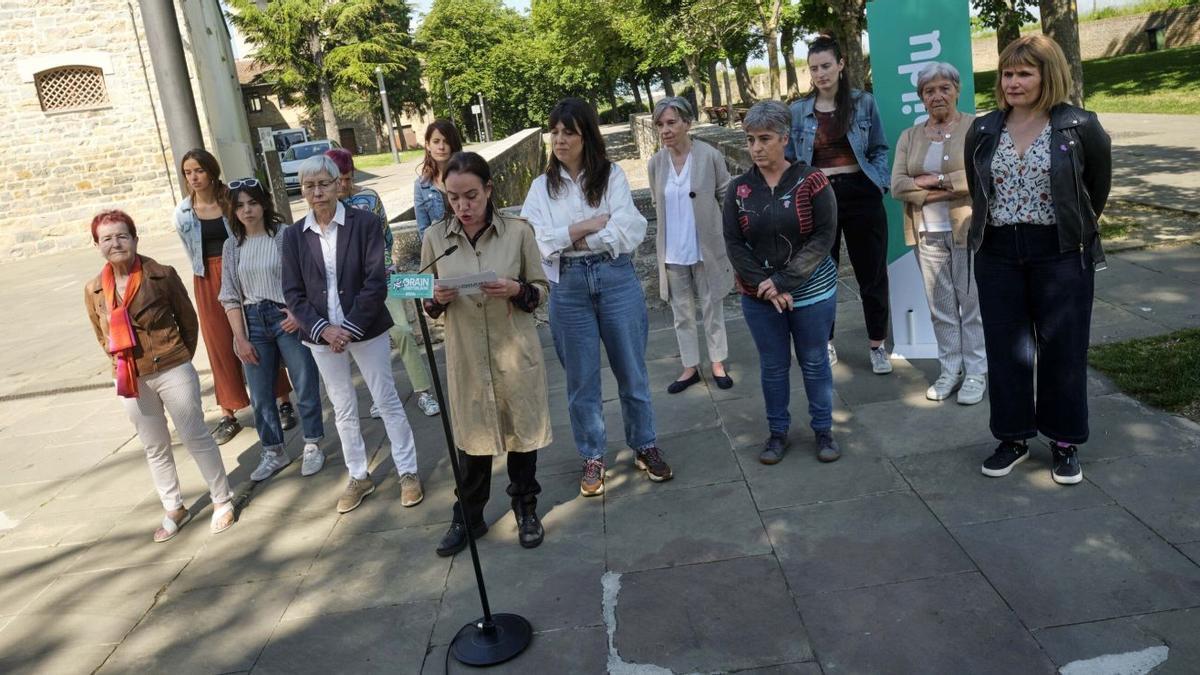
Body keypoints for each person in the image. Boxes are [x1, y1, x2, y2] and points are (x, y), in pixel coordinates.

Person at [965, 34, 1111, 485]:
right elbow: (979, 188)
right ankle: (1012, 436)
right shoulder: (985, 128)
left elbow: (1096, 187)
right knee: (1007, 350)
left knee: (1062, 349)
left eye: (1024, 72)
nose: (1012, 81)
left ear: (1048, 76)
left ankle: (1064, 441)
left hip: (1061, 253)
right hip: (998, 253)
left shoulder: (1079, 125)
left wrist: (1069, 229)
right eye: (1007, 73)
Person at [521, 97, 672, 496]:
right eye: (553, 131)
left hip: (615, 278)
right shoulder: (541, 188)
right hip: (567, 287)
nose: (559, 139)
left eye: (568, 131)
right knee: (580, 381)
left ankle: (645, 444)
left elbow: (628, 229)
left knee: (632, 372)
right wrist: (586, 227)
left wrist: (570, 237)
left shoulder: (612, 177)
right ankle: (592, 455)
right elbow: (535, 242)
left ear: (586, 134)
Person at [422, 152, 552, 555]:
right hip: (468, 357)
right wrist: (435, 296)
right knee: (472, 443)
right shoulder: (434, 239)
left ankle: (525, 507)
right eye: (454, 197)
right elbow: (421, 297)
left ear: (489, 190)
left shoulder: (518, 232)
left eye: (472, 196)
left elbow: (541, 291)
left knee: (521, 436)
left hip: (512, 352)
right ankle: (469, 516)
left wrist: (516, 289)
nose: (463, 206)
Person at [281, 155, 425, 513]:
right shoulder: (293, 236)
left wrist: (348, 328)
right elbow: (293, 293)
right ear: (302, 191)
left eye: (324, 184)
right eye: (309, 186)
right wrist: (324, 329)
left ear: (338, 185)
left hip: (365, 328)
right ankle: (358, 475)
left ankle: (408, 471)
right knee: (343, 408)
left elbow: (376, 281)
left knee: (387, 399)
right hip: (321, 336)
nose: (317, 192)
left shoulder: (364, 224)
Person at [84, 209, 235, 541]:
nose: (116, 243)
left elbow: (189, 321)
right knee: (155, 446)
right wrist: (120, 363)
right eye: (107, 238)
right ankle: (173, 507)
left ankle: (222, 499)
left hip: (171, 368)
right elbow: (101, 333)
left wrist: (178, 356)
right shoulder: (94, 289)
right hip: (129, 376)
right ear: (97, 245)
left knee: (195, 435)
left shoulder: (161, 274)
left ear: (135, 239)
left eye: (122, 235)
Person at [725, 101, 841, 466]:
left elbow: (824, 236)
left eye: (765, 138)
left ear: (785, 138)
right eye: (750, 140)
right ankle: (777, 434)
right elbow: (733, 242)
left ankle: (824, 429)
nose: (756, 147)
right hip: (759, 296)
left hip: (812, 292)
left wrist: (784, 281)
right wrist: (765, 285)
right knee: (773, 366)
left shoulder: (812, 181)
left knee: (814, 361)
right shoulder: (739, 189)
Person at [173, 149, 294, 444]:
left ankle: (283, 401)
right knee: (218, 345)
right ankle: (229, 412)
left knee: (257, 336)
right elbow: (191, 250)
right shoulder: (183, 211)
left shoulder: (234, 198)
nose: (194, 177)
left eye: (199, 170)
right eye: (188, 172)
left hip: (242, 269)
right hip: (206, 277)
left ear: (212, 171)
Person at [788, 35, 893, 374]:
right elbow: (792, 159)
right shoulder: (799, 111)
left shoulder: (864, 103)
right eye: (814, 68)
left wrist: (877, 183)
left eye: (826, 66)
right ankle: (826, 342)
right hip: (819, 195)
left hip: (861, 193)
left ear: (841, 64)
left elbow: (878, 147)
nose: (820, 73)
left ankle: (877, 345)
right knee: (821, 273)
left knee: (872, 273)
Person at [218, 178, 327, 481]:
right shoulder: (232, 247)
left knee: (304, 383)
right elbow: (229, 295)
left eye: (252, 202)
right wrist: (239, 337)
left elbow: (307, 276)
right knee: (262, 394)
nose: (247, 210)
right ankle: (273, 451)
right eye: (240, 205)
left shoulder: (284, 236)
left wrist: (298, 313)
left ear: (263, 203)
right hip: (253, 320)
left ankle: (313, 443)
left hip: (285, 316)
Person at [891, 62, 986, 405]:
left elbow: (979, 176)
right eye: (929, 91)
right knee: (940, 307)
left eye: (944, 88)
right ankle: (950, 369)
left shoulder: (976, 128)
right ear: (921, 98)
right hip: (927, 234)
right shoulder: (910, 136)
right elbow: (898, 186)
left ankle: (976, 372)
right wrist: (953, 187)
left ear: (957, 91)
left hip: (966, 231)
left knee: (971, 304)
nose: (937, 96)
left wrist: (935, 182)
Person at [325, 147, 441, 419]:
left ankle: (423, 392)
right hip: (350, 287)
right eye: (337, 179)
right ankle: (381, 396)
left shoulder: (369, 197)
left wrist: (383, 266)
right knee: (365, 341)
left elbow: (385, 236)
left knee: (401, 330)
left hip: (383, 277)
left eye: (348, 177)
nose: (343, 184)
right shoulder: (326, 208)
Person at [647, 96, 735, 393]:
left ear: (687, 123)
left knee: (713, 307)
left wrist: (726, 237)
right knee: (681, 313)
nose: (665, 130)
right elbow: (658, 204)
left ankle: (718, 362)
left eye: (671, 123)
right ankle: (689, 367)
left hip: (706, 247)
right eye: (660, 124)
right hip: (673, 251)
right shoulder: (656, 163)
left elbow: (726, 196)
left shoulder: (709, 155)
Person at [414, 119, 464, 242]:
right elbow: (424, 230)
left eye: (446, 142)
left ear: (453, 145)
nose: (441, 147)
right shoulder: (421, 185)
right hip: (443, 251)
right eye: (436, 142)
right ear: (428, 145)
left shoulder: (467, 176)